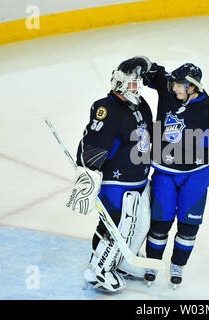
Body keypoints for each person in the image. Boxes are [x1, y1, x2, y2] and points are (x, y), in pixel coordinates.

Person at [120, 57, 209, 288]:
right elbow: (154, 71)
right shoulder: (169, 89)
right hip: (164, 172)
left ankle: (178, 265)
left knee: (188, 227)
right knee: (160, 223)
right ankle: (153, 263)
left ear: (192, 87)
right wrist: (143, 64)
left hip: (196, 175)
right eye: (174, 83)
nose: (173, 87)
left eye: (179, 85)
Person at [66, 60, 153, 292]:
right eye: (133, 84)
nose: (137, 88)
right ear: (120, 83)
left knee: (137, 225)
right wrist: (86, 175)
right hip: (115, 182)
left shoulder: (141, 104)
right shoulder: (106, 108)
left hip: (139, 179)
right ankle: (98, 271)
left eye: (138, 84)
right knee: (116, 226)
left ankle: (122, 262)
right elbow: (94, 145)